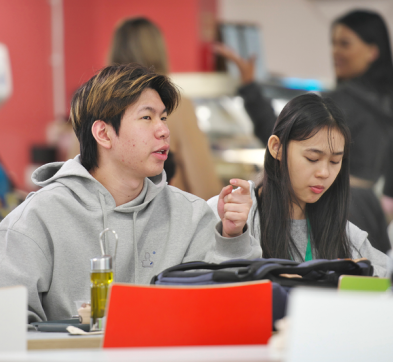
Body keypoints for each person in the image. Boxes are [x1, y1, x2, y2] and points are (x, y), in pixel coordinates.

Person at [0, 64, 261, 323]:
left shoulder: (190, 215)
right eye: (147, 117)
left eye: (163, 118)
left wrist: (232, 238)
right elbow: (11, 327)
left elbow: (227, 310)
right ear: (103, 133)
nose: (164, 130)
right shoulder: (36, 220)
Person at [214, 9, 393, 253]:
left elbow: (284, 134)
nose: (335, 52)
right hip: (370, 206)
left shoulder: (344, 103)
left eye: (345, 44)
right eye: (333, 43)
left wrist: (249, 87)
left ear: (373, 51)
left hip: (346, 205)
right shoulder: (385, 103)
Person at [208, 93, 389, 277]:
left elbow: (386, 275)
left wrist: (365, 273)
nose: (324, 173)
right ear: (276, 148)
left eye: (335, 161)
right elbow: (203, 282)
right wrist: (232, 237)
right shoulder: (231, 212)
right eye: (313, 158)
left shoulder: (345, 235)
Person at [109, 17, 223, 200]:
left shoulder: (93, 105)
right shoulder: (176, 106)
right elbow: (205, 185)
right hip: (162, 219)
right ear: (159, 52)